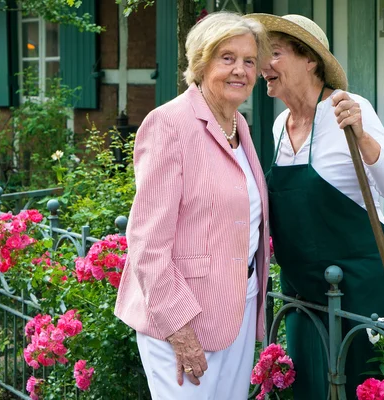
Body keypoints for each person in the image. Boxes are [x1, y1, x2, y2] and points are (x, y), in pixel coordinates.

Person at [246, 13, 384, 399]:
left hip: (361, 294)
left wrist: (362, 135)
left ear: (310, 60)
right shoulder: (278, 125)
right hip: (303, 297)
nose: (262, 67)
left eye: (273, 54)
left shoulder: (350, 108)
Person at [114, 12, 271, 400]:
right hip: (183, 317)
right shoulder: (169, 124)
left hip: (238, 305)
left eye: (249, 61)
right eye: (227, 58)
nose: (240, 70)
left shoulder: (239, 125)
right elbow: (147, 243)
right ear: (201, 63)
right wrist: (178, 327)